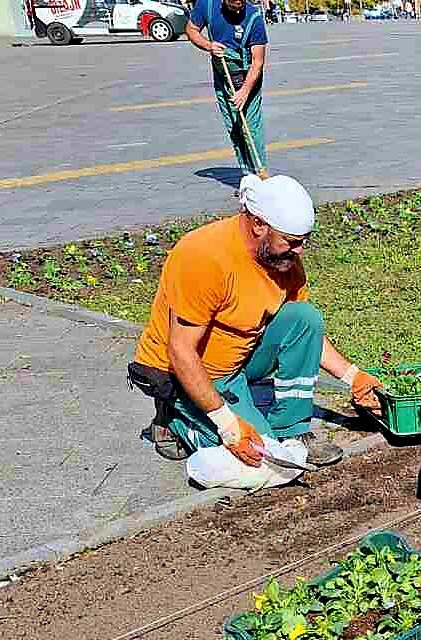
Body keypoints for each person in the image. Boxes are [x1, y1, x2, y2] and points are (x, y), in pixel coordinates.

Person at [128, 174, 383, 471]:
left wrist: (354, 378)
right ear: (259, 225)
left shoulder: (283, 261)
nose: (299, 251)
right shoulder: (205, 258)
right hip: (182, 373)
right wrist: (228, 426)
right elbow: (181, 351)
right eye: (291, 242)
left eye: (303, 242)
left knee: (304, 318)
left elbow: (303, 332)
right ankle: (176, 420)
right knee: (260, 458)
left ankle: (292, 429)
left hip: (238, 360)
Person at [185, 0, 269, 177]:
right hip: (223, 75)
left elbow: (258, 62)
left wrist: (244, 92)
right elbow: (191, 30)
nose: (238, 11)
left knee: (250, 127)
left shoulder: (254, 18)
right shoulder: (207, 5)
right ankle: (248, 176)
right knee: (234, 126)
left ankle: (260, 173)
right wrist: (209, 45)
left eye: (241, 6)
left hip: (248, 77)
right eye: (233, 7)